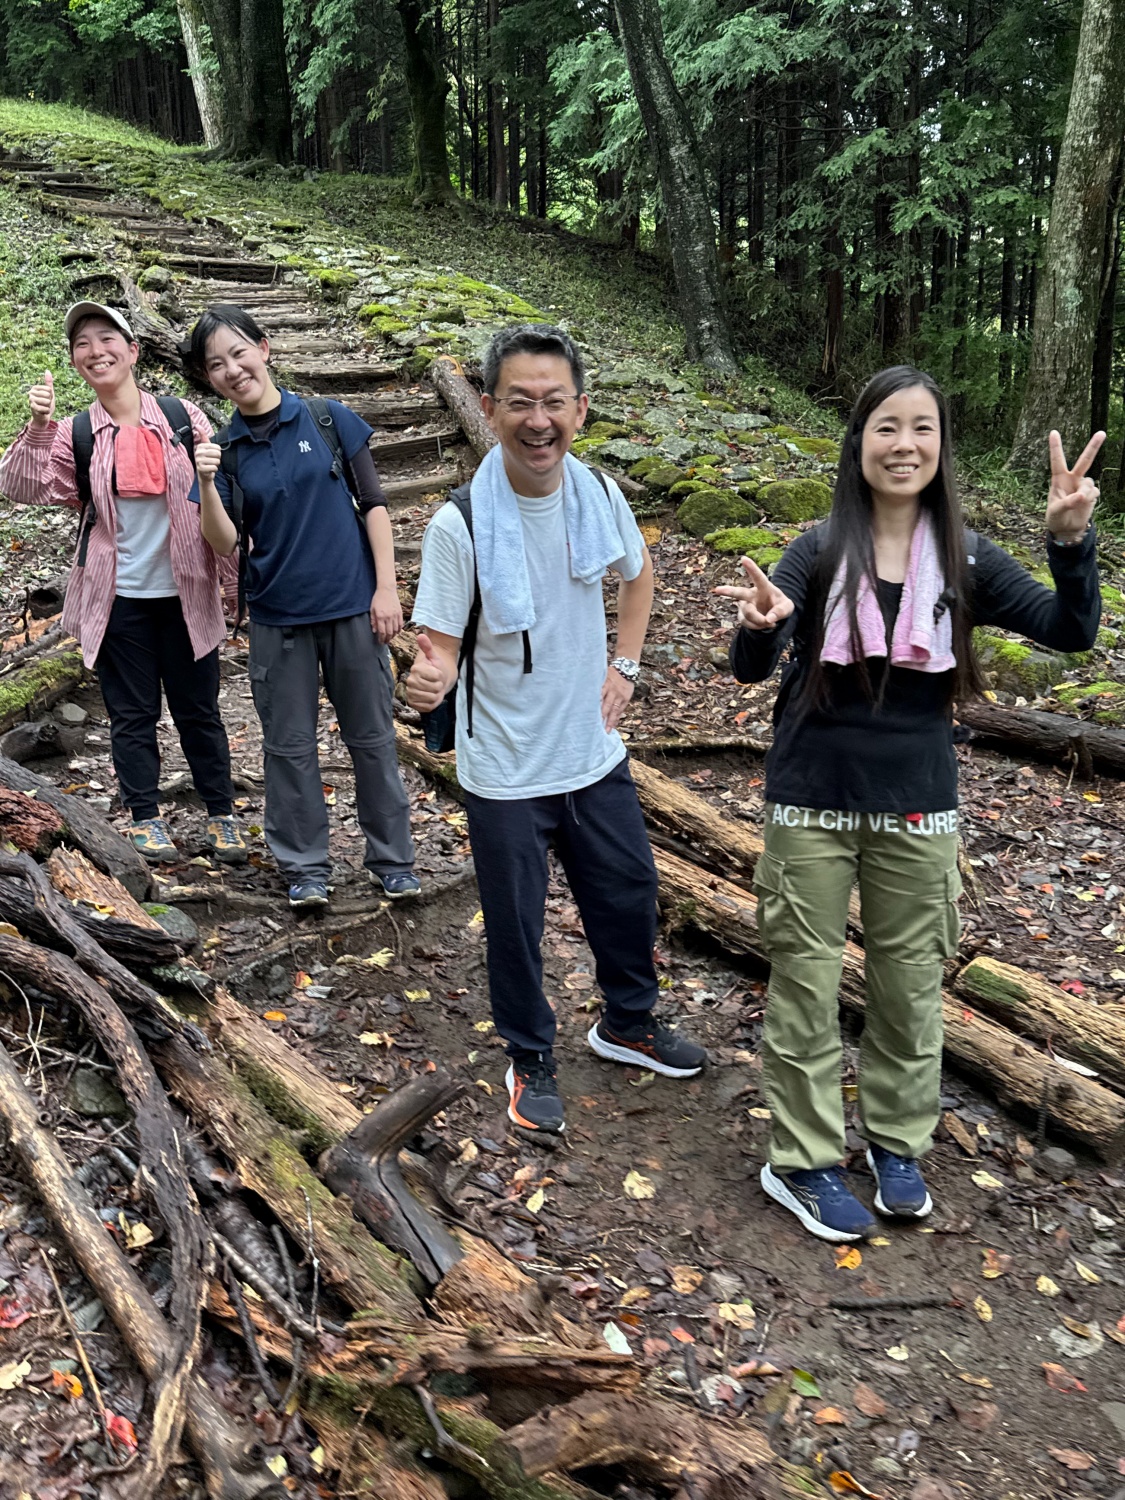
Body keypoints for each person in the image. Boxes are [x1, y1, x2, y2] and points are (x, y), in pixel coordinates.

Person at [717, 365, 1102, 1243]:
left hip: (917, 803)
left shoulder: (967, 557)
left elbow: (1070, 631)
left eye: (921, 428)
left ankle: (895, 1144)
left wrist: (1069, 543)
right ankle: (802, 1161)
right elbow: (749, 665)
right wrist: (759, 626)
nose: (903, 445)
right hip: (811, 798)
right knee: (805, 987)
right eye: (885, 427)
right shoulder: (818, 549)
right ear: (858, 442)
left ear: (940, 445)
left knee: (908, 989)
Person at [405, 323, 705, 1134]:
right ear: (487, 408)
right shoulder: (460, 523)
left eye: (553, 403)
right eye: (519, 403)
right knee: (516, 923)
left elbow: (637, 575)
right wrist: (430, 678)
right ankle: (528, 1052)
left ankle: (627, 1022)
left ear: (580, 408)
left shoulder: (598, 493)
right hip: (505, 764)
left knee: (628, 893)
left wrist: (625, 666)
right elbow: (438, 650)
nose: (537, 421)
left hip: (589, 750)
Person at [187, 304, 417, 910]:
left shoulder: (327, 418)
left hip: (352, 609)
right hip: (277, 618)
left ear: (263, 348)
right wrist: (206, 482)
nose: (233, 370)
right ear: (209, 378)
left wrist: (386, 589)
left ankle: (394, 861)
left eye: (239, 353)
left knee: (373, 739)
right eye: (217, 364)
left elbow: (374, 504)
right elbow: (224, 542)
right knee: (288, 749)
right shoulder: (225, 450)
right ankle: (305, 868)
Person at [0, 302, 246, 865]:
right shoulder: (75, 433)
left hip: (188, 594)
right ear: (74, 362)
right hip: (117, 600)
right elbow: (20, 486)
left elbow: (221, 501)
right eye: (82, 344)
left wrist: (234, 584)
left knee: (199, 712)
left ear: (133, 351)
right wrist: (37, 428)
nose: (95, 351)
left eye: (107, 338)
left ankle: (222, 814)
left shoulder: (182, 418)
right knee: (132, 715)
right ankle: (145, 818)